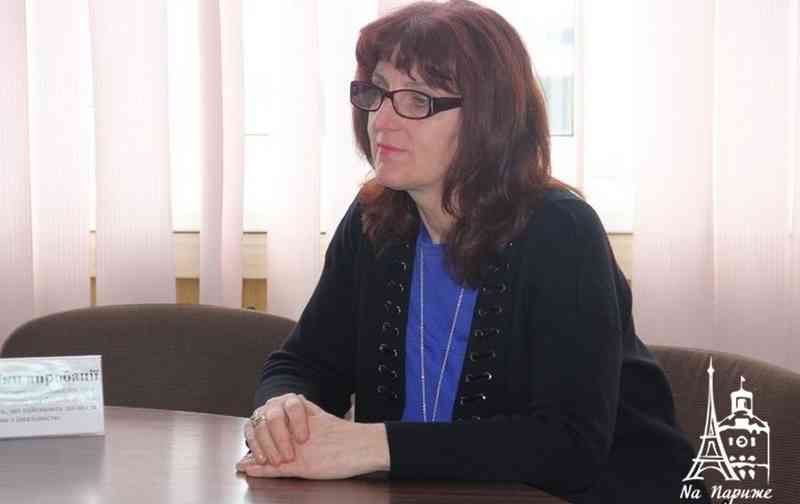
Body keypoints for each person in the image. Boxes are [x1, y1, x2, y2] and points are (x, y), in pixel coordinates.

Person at [236, 1, 710, 502]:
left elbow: (568, 446)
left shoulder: (562, 232)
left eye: (417, 100)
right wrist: (281, 410)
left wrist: (369, 444)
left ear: (488, 118)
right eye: (376, 92)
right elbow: (306, 363)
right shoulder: (375, 221)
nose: (381, 121)